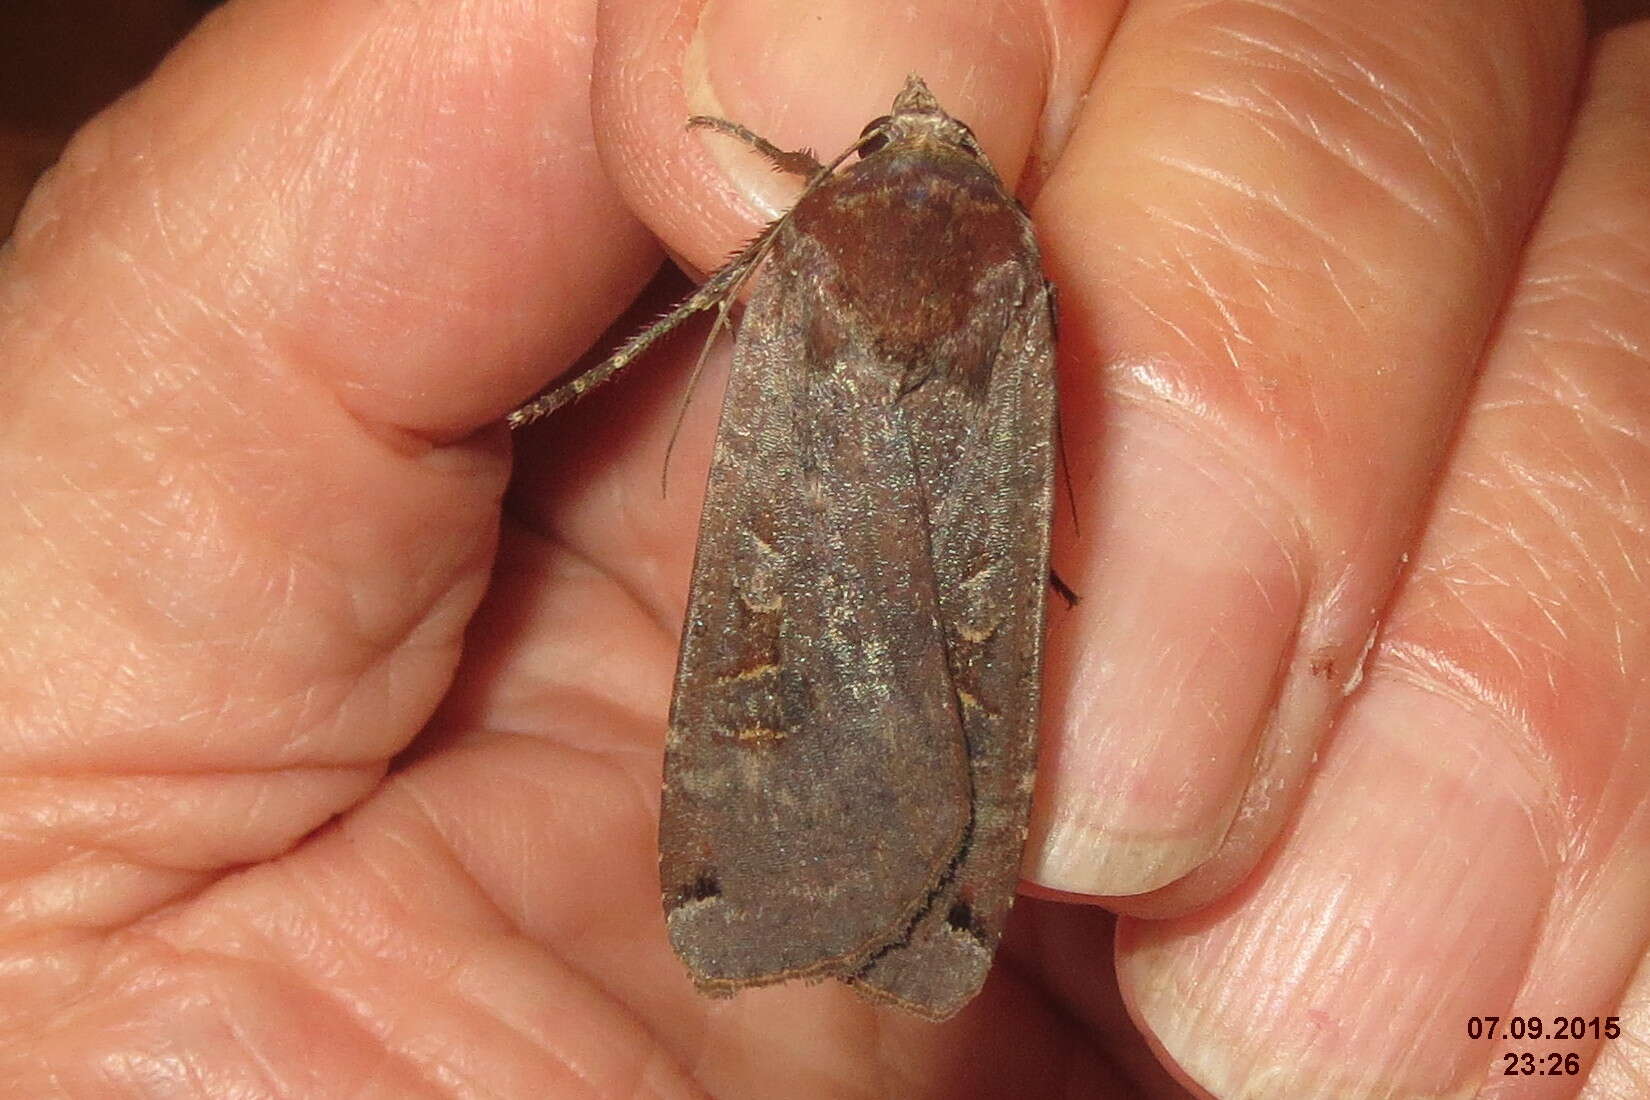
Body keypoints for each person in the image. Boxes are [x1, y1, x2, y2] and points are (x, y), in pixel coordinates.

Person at [2, 0, 1646, 1095]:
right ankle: (906, 908)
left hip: (792, 747)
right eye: (884, 138)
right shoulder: (1011, 263)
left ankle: (850, 904)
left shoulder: (814, 247)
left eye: (878, 146)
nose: (914, 119)